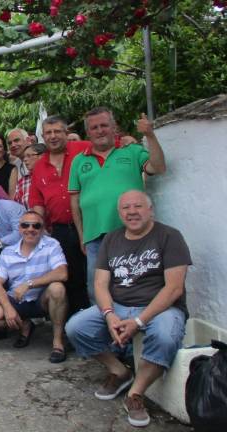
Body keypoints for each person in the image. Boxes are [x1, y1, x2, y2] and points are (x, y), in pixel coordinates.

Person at [66, 191, 191, 428]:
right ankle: (119, 371)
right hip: (119, 306)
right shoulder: (112, 239)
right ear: (119, 213)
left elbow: (174, 288)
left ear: (150, 210)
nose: (132, 212)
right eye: (125, 208)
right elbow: (100, 284)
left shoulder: (169, 236)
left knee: (166, 336)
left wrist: (140, 321)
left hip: (159, 308)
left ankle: (135, 393)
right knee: (76, 327)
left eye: (138, 206)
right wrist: (109, 314)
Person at [69, 108, 166, 304]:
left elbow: (158, 167)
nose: (100, 130)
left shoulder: (133, 151)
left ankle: (135, 329)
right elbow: (75, 201)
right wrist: (82, 236)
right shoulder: (79, 161)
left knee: (134, 283)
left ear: (114, 127)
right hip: (94, 237)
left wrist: (150, 135)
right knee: (96, 288)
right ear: (88, 132)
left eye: (104, 125)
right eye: (94, 127)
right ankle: (106, 331)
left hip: (131, 232)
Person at [0, 211, 69, 363]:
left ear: (42, 229)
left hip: (42, 299)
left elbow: (62, 273)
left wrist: (29, 283)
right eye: (25, 225)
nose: (30, 229)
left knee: (57, 288)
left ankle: (58, 342)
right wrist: (7, 307)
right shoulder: (8, 252)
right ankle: (24, 325)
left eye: (36, 225)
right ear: (19, 229)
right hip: (17, 299)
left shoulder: (51, 245)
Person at [30, 116, 92, 315]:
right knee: (72, 280)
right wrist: (37, 232)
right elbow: (37, 203)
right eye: (48, 133)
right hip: (61, 231)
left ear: (66, 133)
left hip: (90, 225)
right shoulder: (39, 166)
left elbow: (110, 144)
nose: (53, 136)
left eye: (57, 131)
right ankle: (78, 327)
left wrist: (127, 141)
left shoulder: (83, 148)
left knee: (98, 275)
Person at [13, 143, 45, 209]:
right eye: (24, 157)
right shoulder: (22, 182)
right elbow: (16, 208)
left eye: (29, 156)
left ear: (42, 156)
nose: (25, 159)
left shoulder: (54, 176)